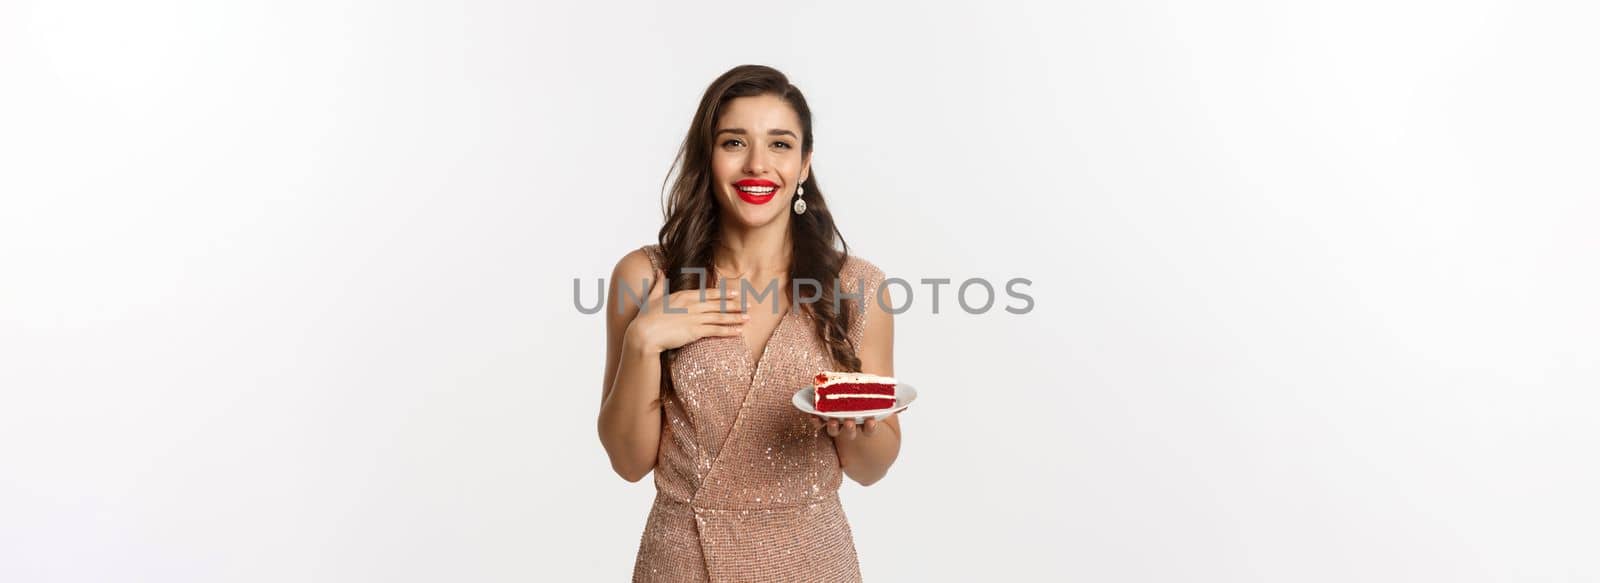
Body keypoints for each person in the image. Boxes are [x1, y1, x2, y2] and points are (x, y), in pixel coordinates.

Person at [597, 64, 903, 582]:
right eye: (734, 142)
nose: (758, 165)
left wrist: (854, 430)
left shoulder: (859, 287)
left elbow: (872, 469)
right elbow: (628, 463)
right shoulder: (646, 277)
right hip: (683, 561)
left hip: (813, 561)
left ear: (805, 164)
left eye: (780, 145)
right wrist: (643, 341)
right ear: (707, 156)